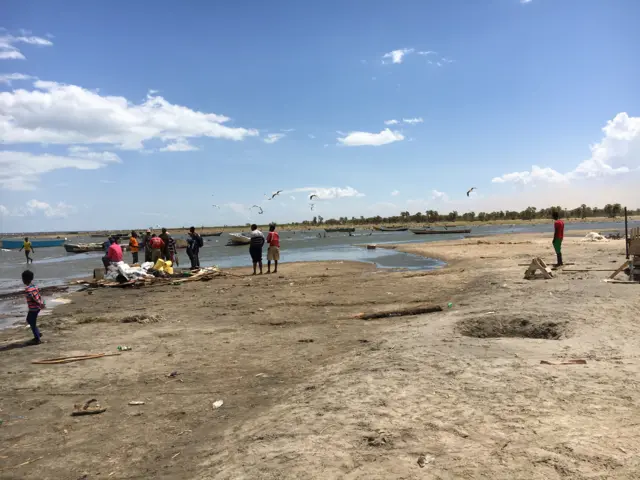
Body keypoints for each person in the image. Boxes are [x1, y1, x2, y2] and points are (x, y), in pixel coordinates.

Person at [22, 270, 44, 345]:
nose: (22, 280)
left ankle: (37, 339)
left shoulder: (27, 289)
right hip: (36, 307)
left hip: (34, 308)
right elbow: (39, 295)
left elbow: (32, 298)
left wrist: (39, 303)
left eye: (23, 279)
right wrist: (41, 302)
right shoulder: (34, 286)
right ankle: (38, 334)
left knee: (32, 323)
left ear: (25, 279)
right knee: (29, 320)